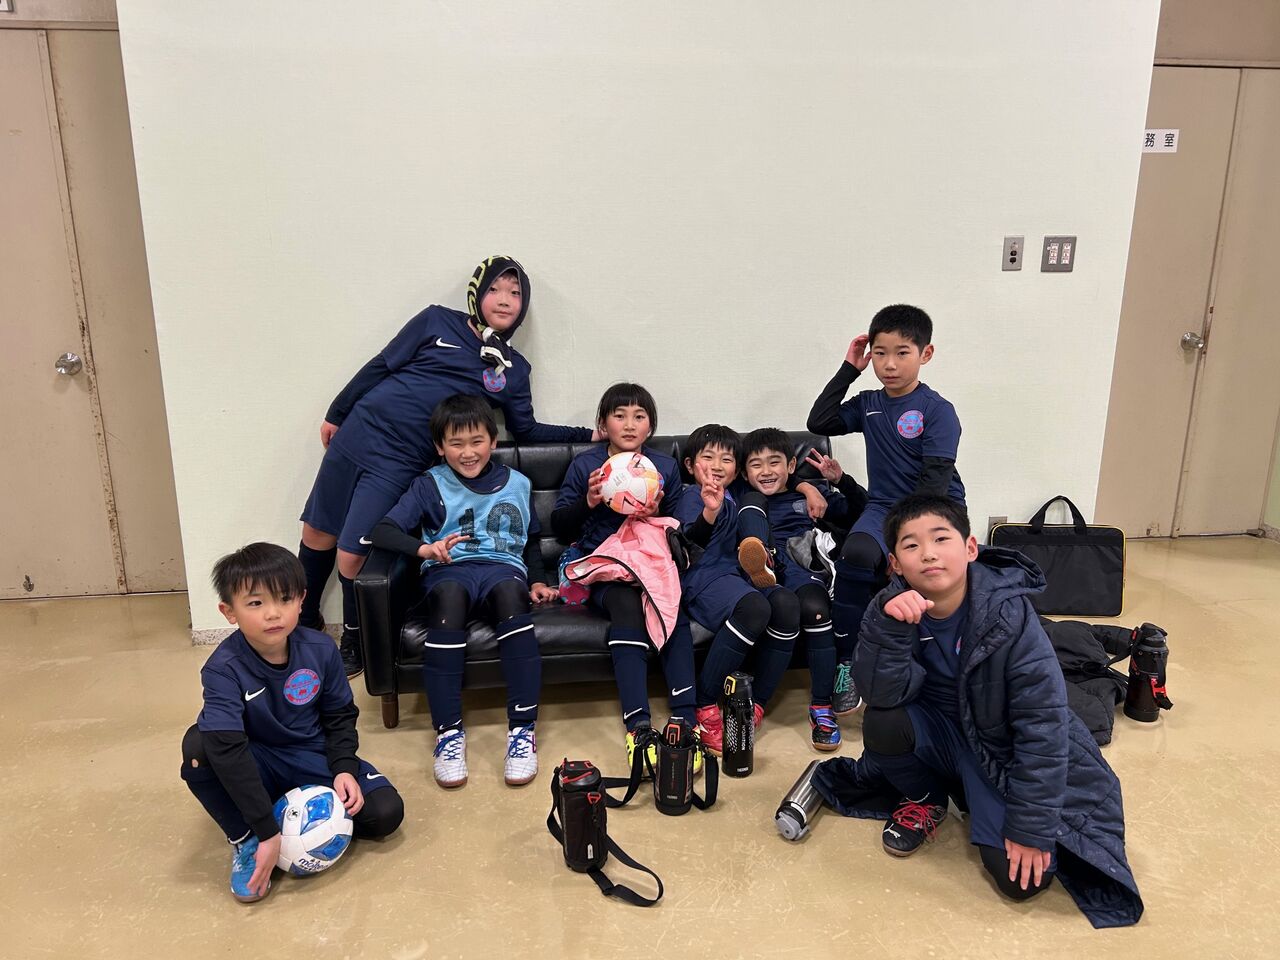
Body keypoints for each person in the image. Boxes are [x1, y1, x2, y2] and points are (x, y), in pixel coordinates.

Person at [847, 495, 1142, 926]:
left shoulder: (1010, 616)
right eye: (911, 545)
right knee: (883, 723)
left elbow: (1043, 727)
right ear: (895, 564)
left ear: (970, 548)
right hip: (943, 734)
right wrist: (890, 629)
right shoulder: (889, 609)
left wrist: (1030, 827)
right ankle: (928, 800)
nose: (928, 553)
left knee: (1020, 882)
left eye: (941, 538)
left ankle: (975, 797)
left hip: (1000, 750)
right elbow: (879, 694)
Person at [298, 256, 595, 677]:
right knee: (317, 532)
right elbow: (382, 364)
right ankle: (305, 620)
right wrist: (337, 412)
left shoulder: (512, 370)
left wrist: (589, 434)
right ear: (477, 293)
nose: (505, 300)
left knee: (351, 556)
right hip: (359, 432)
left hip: (402, 458)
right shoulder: (436, 321)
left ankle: (354, 635)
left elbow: (526, 429)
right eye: (495, 289)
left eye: (515, 293)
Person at [180, 543, 404, 903]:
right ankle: (246, 839)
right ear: (229, 612)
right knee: (199, 746)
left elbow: (339, 715)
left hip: (312, 753)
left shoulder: (321, 649)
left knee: (385, 814)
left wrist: (344, 768)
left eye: (285, 599)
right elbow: (227, 746)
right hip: (259, 759)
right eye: (256, 603)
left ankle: (295, 813)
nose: (273, 613)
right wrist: (266, 832)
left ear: (301, 600)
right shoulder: (222, 669)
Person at [370, 395, 554, 788]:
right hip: (449, 569)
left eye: (476, 441)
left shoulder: (519, 483)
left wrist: (537, 580)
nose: (467, 452)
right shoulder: (429, 484)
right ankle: (448, 733)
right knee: (449, 601)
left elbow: (531, 542)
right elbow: (383, 531)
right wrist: (424, 549)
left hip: (503, 569)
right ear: (440, 447)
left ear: (493, 441)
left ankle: (522, 730)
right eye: (456, 443)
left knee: (512, 598)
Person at [806, 304, 964, 715]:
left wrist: (902, 541)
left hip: (935, 508)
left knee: (921, 569)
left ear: (926, 354)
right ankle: (848, 664)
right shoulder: (869, 403)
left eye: (902, 352)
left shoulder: (937, 410)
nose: (889, 364)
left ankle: (924, 667)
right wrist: (849, 369)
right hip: (882, 507)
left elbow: (934, 485)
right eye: (880, 353)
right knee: (855, 555)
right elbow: (820, 421)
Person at [551, 383, 694, 767]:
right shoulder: (586, 466)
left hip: (651, 562)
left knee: (669, 606)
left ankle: (686, 718)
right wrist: (589, 501)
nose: (629, 424)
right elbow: (561, 527)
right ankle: (638, 726)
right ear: (604, 424)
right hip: (603, 567)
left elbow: (680, 529)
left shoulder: (664, 467)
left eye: (639, 416)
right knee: (628, 607)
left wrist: (656, 514)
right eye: (619, 416)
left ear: (650, 426)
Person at [734, 427, 867, 750]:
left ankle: (821, 706)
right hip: (768, 569)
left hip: (805, 565)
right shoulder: (742, 496)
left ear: (791, 465)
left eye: (774, 462)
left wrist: (837, 482)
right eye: (756, 464)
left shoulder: (810, 497)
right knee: (801, 605)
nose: (766, 471)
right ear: (744, 472)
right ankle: (765, 703)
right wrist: (804, 483)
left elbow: (862, 509)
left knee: (816, 608)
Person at [672, 425, 798, 756]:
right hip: (703, 576)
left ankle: (757, 703)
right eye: (708, 457)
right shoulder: (691, 496)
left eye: (726, 459)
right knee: (754, 607)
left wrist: (809, 488)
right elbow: (689, 543)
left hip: (737, 576)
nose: (717, 466)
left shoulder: (737, 495)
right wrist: (709, 511)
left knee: (786, 603)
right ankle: (704, 704)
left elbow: (782, 477)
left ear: (737, 469)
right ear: (690, 465)